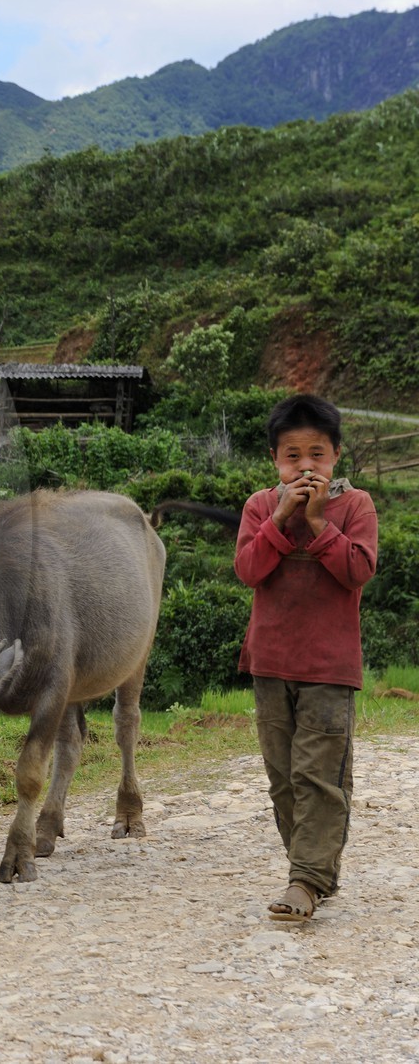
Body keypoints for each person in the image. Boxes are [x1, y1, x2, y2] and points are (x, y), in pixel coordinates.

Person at [233, 393, 378, 922]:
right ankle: (315, 868)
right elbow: (249, 570)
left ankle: (307, 880)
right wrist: (281, 516)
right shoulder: (258, 506)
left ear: (336, 455)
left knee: (319, 774)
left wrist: (317, 522)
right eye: (292, 456)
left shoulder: (355, 506)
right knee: (284, 778)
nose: (305, 466)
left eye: (316, 454)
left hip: (329, 668)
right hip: (270, 663)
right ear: (275, 459)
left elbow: (358, 571)